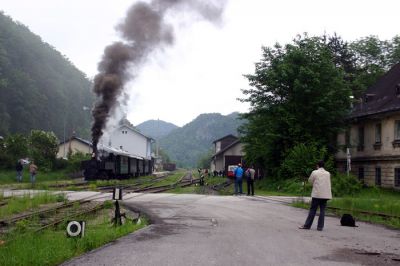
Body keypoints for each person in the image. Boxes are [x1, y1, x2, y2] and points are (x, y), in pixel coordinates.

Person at [299, 160, 332, 231]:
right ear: (324, 166)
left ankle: (307, 225)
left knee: (313, 210)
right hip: (325, 195)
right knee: (322, 211)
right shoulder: (328, 173)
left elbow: (310, 181)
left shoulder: (314, 172)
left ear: (317, 165)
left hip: (317, 194)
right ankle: (320, 227)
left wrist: (314, 184)